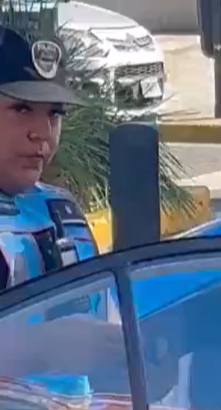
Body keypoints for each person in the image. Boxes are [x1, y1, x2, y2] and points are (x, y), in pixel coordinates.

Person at [0, 25, 177, 398]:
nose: (42, 132)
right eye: (21, 109)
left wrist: (136, 361)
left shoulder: (62, 211)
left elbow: (98, 348)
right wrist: (41, 348)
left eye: (55, 114)